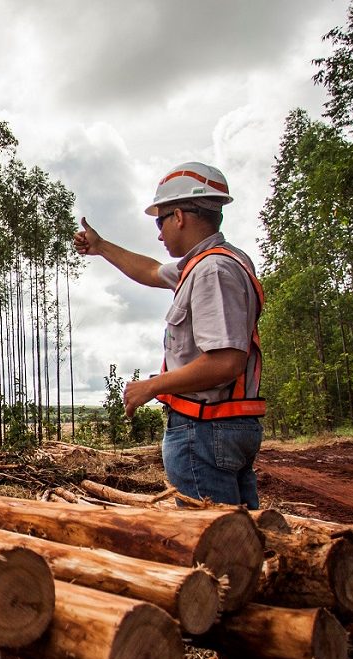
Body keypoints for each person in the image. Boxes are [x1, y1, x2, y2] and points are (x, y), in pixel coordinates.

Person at [73, 162, 265, 509]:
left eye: (160, 221)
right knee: (244, 541)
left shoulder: (212, 270)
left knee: (213, 546)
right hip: (222, 427)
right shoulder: (212, 262)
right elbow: (149, 270)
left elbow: (226, 361)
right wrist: (101, 247)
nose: (159, 234)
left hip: (205, 429)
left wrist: (153, 385)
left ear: (179, 216)